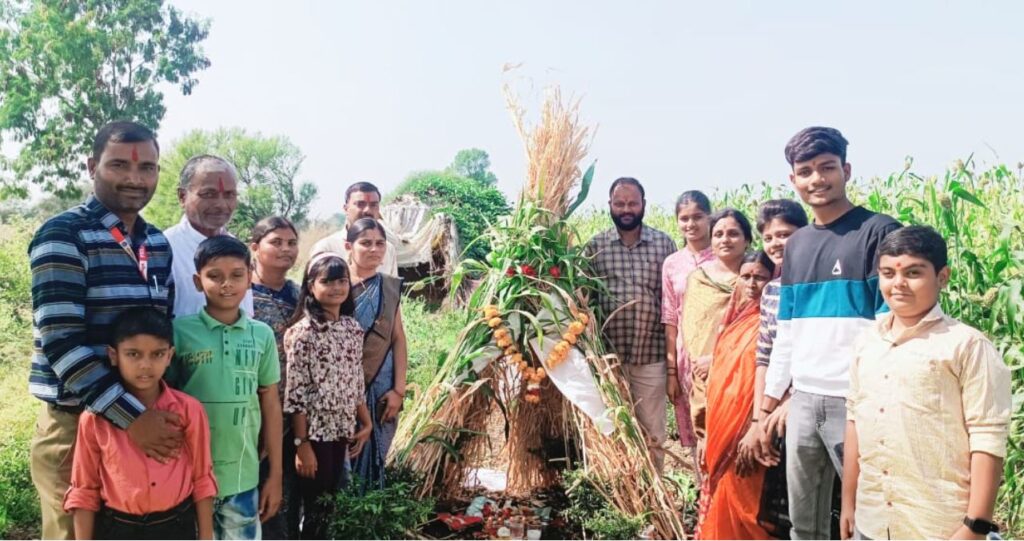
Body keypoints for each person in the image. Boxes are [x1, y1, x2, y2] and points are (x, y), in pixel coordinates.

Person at [27, 120, 182, 540]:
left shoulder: (156, 243)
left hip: (140, 420)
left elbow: (160, 336)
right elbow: (62, 343)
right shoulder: (64, 234)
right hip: (77, 425)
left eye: (147, 168)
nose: (135, 178)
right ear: (92, 165)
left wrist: (151, 415)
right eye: (119, 165)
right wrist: (133, 419)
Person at [761, 127, 901, 540]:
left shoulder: (878, 232)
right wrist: (767, 408)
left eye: (827, 167)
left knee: (870, 519)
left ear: (847, 170)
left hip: (856, 402)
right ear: (793, 181)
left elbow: (889, 324)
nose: (817, 179)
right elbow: (786, 333)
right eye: (806, 171)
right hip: (803, 402)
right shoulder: (798, 244)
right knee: (804, 523)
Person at [840, 226, 1011, 540]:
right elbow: (854, 420)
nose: (898, 284)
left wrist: (975, 526)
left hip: (938, 525)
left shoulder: (967, 346)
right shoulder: (867, 342)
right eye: (888, 273)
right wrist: (849, 503)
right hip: (872, 518)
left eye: (914, 273)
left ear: (942, 277)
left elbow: (987, 437)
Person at [64, 308, 217, 540]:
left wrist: (206, 536)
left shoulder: (188, 410)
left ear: (169, 356)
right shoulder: (95, 420)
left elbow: (202, 477)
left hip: (175, 527)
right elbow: (85, 489)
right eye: (133, 354)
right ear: (114, 355)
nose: (145, 365)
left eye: (157, 354)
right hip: (118, 528)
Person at [167, 236, 282, 539]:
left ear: (249, 277)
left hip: (243, 476)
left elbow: (270, 404)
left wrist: (275, 476)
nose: (226, 285)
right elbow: (164, 398)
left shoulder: (262, 335)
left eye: (236, 275)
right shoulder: (179, 332)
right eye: (214, 276)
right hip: (186, 475)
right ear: (197, 280)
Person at [585, 177, 677, 472]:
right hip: (609, 359)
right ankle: (621, 497)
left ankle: (654, 495)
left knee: (653, 432)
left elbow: (671, 300)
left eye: (632, 203)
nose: (626, 209)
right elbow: (585, 300)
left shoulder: (664, 244)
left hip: (650, 355)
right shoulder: (595, 247)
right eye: (620, 203)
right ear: (610, 206)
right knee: (611, 429)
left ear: (644, 205)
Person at [284, 252, 373, 539]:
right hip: (315, 434)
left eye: (342, 281)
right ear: (311, 286)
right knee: (315, 507)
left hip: (342, 430)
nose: (336, 287)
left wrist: (366, 422)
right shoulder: (303, 333)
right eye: (327, 281)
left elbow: (355, 379)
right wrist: (302, 444)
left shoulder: (351, 328)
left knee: (332, 504)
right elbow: (296, 394)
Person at [697, 251, 776, 540]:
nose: (752, 284)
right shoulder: (735, 320)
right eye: (746, 277)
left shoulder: (772, 324)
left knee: (749, 507)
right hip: (721, 429)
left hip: (749, 431)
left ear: (774, 279)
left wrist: (752, 426)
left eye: (760, 277)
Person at [744, 199, 809, 537]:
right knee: (785, 511)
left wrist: (793, 401)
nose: (776, 244)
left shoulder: (820, 282)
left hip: (811, 402)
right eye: (769, 237)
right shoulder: (771, 291)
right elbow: (765, 356)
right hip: (775, 408)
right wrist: (759, 419)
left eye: (785, 234)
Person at [681, 208, 752, 468]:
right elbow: (693, 330)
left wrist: (719, 360)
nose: (725, 239)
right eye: (719, 234)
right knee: (709, 456)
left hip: (745, 380)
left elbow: (759, 334)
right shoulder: (698, 280)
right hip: (705, 380)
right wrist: (705, 363)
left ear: (747, 240)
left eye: (734, 233)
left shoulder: (757, 281)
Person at [249, 216, 301, 539]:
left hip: (293, 414)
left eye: (292, 243)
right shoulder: (241, 295)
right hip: (251, 412)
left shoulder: (301, 295)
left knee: (286, 499)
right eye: (276, 242)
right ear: (255, 247)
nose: (286, 249)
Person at [346, 218, 409, 488]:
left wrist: (399, 390)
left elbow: (398, 339)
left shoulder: (389, 287)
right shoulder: (335, 284)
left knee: (375, 462)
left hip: (382, 388)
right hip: (343, 391)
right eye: (366, 243)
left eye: (380, 244)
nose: (374, 249)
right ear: (349, 246)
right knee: (344, 462)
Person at [165, 155, 255, 317]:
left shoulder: (238, 249)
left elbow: (246, 315)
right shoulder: (163, 248)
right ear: (182, 196)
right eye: (208, 194)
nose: (220, 204)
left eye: (229, 195)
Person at [662, 190, 715, 453]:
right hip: (686, 360)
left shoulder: (725, 255)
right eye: (684, 219)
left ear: (710, 217)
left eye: (697, 217)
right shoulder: (672, 263)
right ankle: (701, 491)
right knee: (695, 431)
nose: (691, 224)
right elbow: (670, 317)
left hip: (720, 354)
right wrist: (671, 372)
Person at [309, 182, 399, 275]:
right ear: (345, 208)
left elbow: (392, 288)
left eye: (373, 205)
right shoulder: (327, 247)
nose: (367, 210)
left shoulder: (388, 249)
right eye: (360, 204)